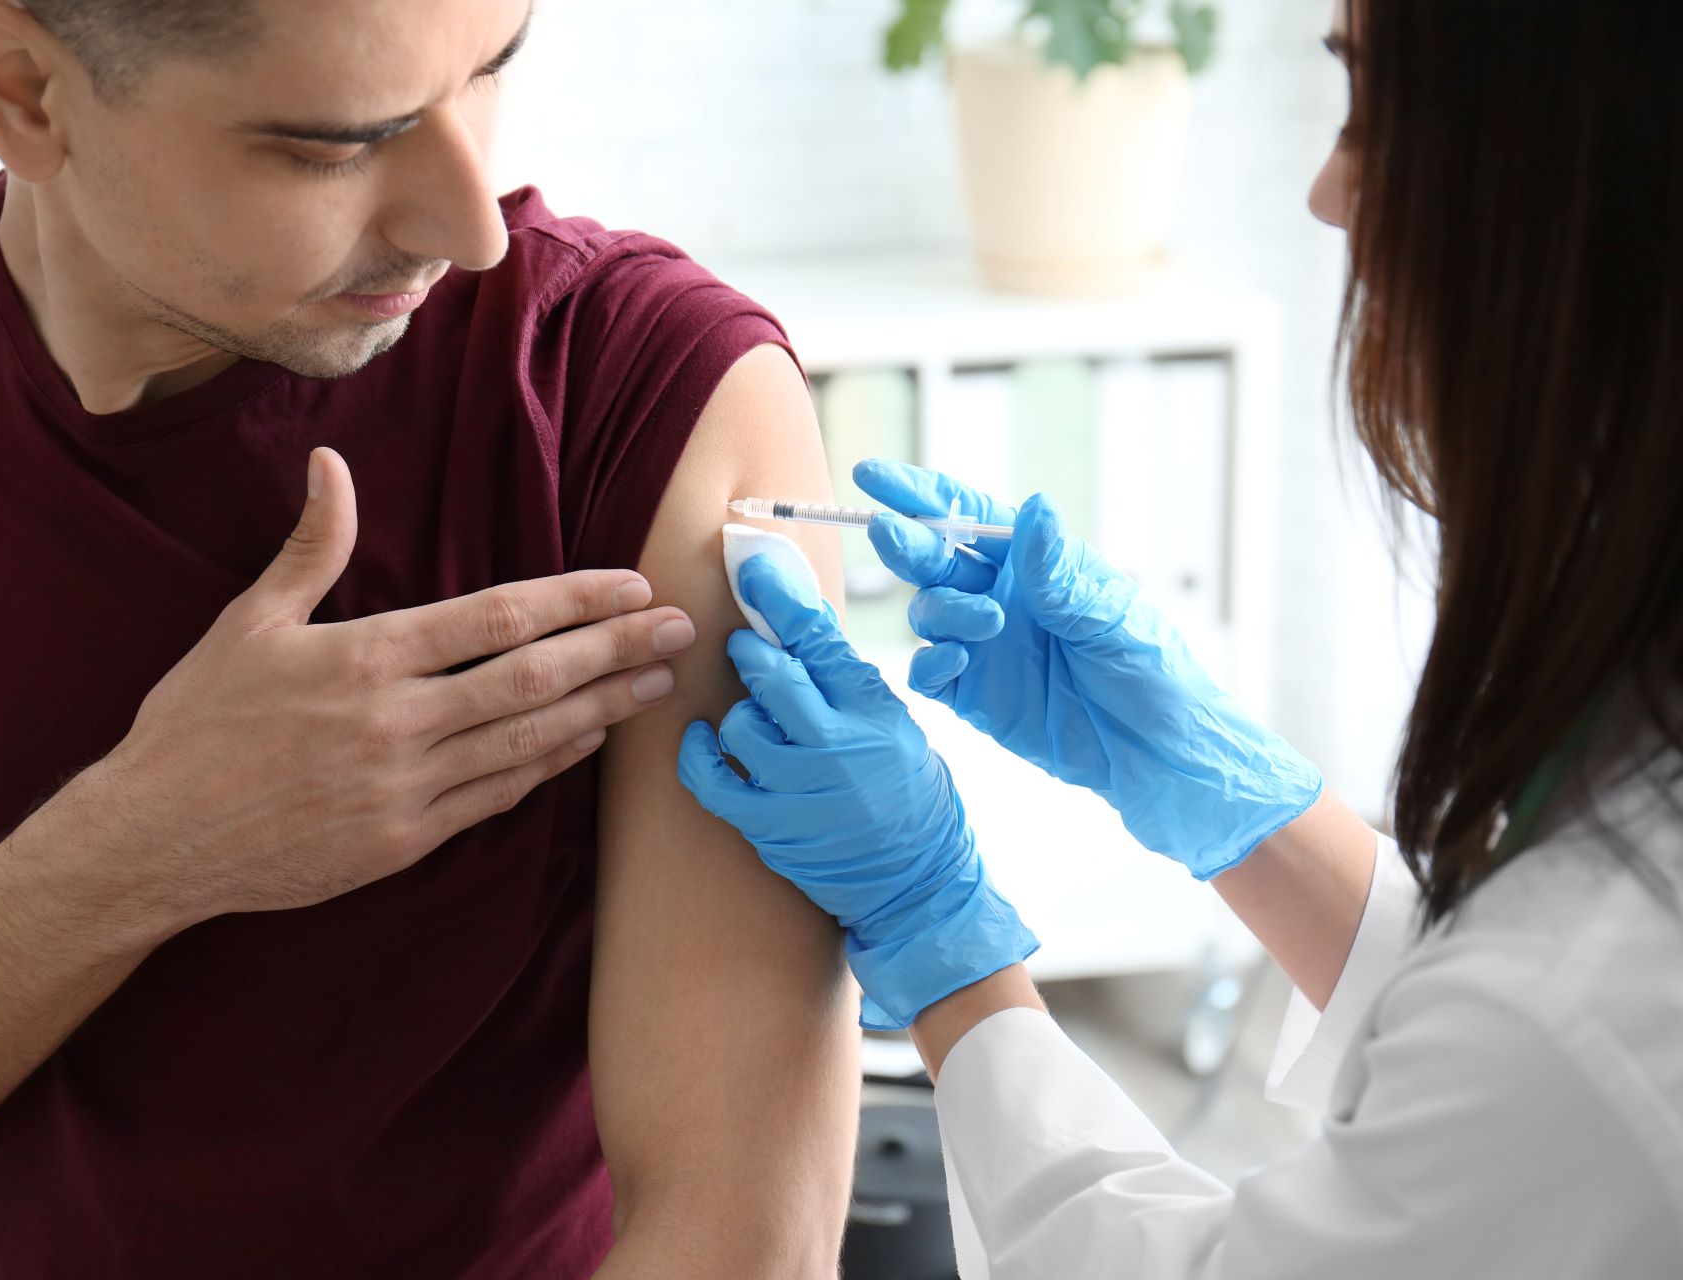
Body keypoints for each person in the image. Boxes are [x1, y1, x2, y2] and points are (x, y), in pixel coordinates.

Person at [0, 0, 860, 1275]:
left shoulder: (641, 391)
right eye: (337, 144)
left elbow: (741, 1242)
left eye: (492, 69)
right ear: (25, 92)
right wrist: (136, 851)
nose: (470, 225)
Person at [681, 0, 1683, 1274]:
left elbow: (1533, 1060)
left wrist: (942, 933)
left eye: (1376, 116)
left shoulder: (1591, 1006)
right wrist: (1211, 777)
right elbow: (1497, 1022)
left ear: (1581, 198)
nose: (1330, 195)